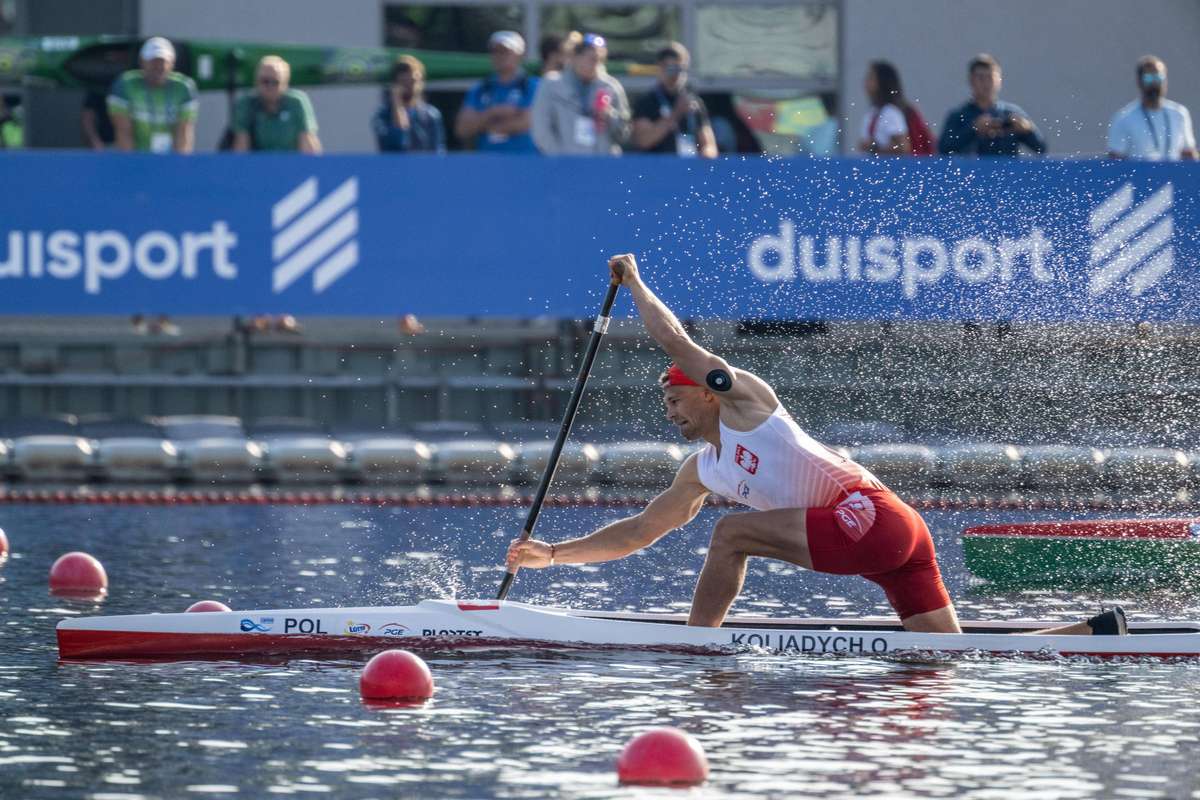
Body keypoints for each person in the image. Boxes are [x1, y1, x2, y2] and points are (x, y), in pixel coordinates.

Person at [506, 253, 1128, 639]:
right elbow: (641, 531)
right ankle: (1092, 634)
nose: (668, 412)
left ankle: (697, 646)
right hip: (898, 530)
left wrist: (636, 282)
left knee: (730, 536)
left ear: (708, 394)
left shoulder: (749, 400)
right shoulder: (702, 472)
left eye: (675, 400)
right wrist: (552, 555)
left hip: (872, 517)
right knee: (946, 658)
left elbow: (675, 342)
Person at [530, 34, 631, 156]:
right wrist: (559, 159)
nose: (594, 64)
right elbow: (541, 129)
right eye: (590, 58)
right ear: (574, 57)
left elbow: (624, 133)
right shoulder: (551, 84)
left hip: (603, 165)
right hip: (563, 166)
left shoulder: (611, 87)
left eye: (599, 59)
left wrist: (609, 115)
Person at [938, 54, 1045, 157]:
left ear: (999, 81)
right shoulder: (959, 116)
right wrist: (973, 130)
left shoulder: (1011, 113)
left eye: (990, 77)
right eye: (981, 78)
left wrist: (1027, 130)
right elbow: (943, 149)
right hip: (971, 174)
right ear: (971, 81)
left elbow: (1041, 148)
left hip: (1007, 173)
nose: (986, 83)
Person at [108, 37, 198, 154]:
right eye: (152, 61)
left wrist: (179, 167)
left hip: (169, 161)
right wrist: (131, 166)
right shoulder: (124, 85)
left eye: (163, 61)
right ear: (141, 62)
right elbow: (123, 133)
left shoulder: (184, 88)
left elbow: (184, 134)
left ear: (172, 63)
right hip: (136, 160)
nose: (158, 66)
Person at [454, 30, 537, 152]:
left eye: (505, 51)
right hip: (487, 163)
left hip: (525, 162)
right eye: (495, 51)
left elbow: (528, 122)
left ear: (519, 55)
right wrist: (492, 113)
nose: (499, 56)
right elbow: (463, 129)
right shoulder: (480, 89)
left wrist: (483, 125)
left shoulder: (532, 86)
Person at [631, 42, 717, 158]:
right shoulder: (647, 102)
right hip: (657, 169)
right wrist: (676, 113)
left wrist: (706, 154)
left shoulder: (693, 102)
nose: (676, 74)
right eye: (671, 69)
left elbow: (709, 145)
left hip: (688, 168)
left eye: (681, 68)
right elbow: (643, 141)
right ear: (660, 68)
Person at [1108, 55, 1197, 161]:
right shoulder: (1124, 118)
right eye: (1149, 79)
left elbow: (1188, 154)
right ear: (1139, 82)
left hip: (1174, 176)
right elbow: (1115, 160)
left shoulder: (1179, 113)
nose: (1155, 83)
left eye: (1159, 78)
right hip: (1140, 176)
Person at [231, 55, 321, 153]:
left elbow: (307, 142)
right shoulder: (246, 104)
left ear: (285, 83)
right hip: (258, 165)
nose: (270, 86)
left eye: (275, 82)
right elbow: (241, 147)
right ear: (256, 82)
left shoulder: (296, 102)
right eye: (265, 81)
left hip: (291, 164)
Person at [857, 60, 935, 156]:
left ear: (882, 82)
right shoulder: (872, 113)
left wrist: (874, 148)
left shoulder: (891, 113)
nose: (866, 82)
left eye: (871, 78)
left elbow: (903, 147)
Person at [373, 55, 445, 153]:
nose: (410, 86)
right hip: (394, 167)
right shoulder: (382, 115)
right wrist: (397, 103)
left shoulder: (431, 115)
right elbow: (397, 142)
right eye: (403, 81)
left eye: (413, 81)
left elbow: (437, 151)